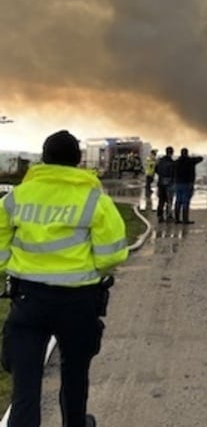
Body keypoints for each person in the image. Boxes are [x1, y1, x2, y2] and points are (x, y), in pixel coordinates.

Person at [0, 129, 129, 427]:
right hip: (77, 302)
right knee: (75, 375)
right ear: (78, 161)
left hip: (27, 299)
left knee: (25, 384)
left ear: (43, 159)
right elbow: (113, 254)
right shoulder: (94, 200)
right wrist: (87, 269)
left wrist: (16, 266)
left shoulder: (16, 197)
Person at [172, 148, 203, 225]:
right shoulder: (190, 161)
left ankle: (176, 219)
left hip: (178, 183)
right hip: (187, 184)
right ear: (187, 153)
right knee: (185, 202)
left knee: (178, 201)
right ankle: (185, 220)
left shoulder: (177, 162)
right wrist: (193, 156)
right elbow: (201, 158)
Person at [154, 146, 176, 223]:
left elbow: (156, 170)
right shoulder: (172, 163)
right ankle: (168, 216)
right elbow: (174, 173)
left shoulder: (160, 161)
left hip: (161, 183)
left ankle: (160, 216)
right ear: (172, 153)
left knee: (161, 200)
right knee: (169, 201)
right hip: (169, 183)